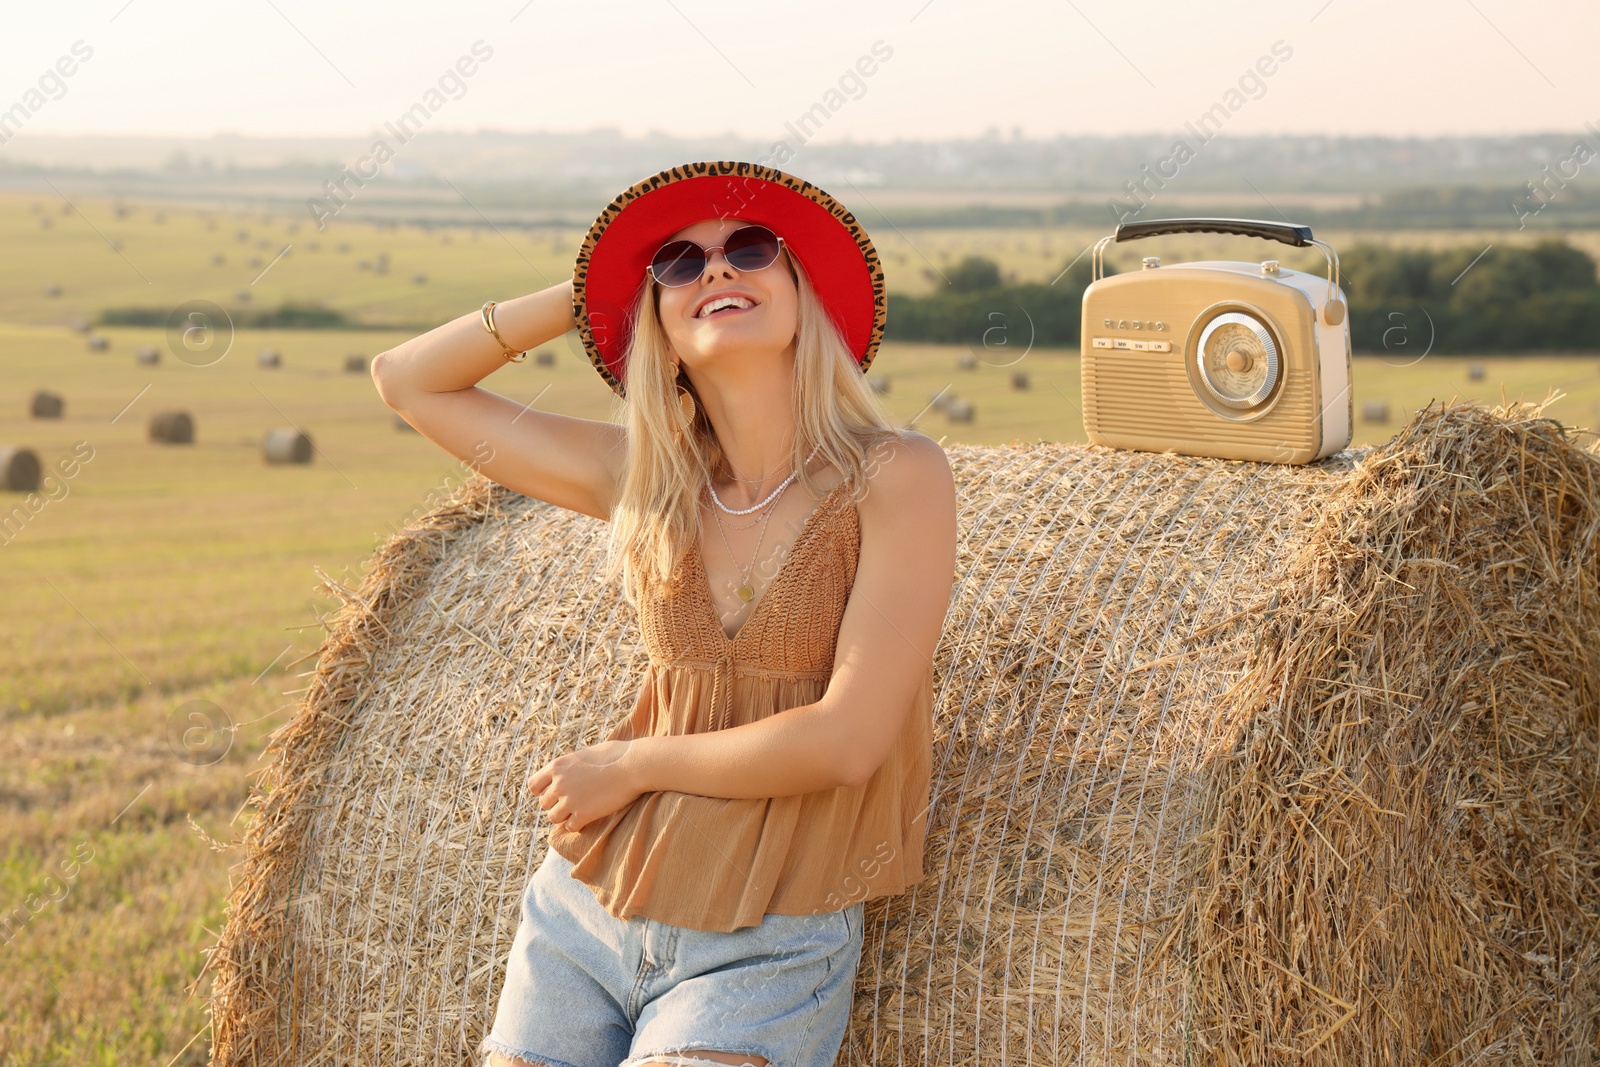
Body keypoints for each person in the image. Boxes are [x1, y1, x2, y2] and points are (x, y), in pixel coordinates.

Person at [370, 160, 957, 1067]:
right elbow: (410, 381)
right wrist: (592, 287)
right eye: (680, 264)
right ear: (659, 323)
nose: (717, 269)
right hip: (589, 909)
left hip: (770, 932)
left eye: (751, 249)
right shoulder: (645, 480)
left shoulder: (896, 477)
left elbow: (849, 739)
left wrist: (634, 762)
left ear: (805, 292)